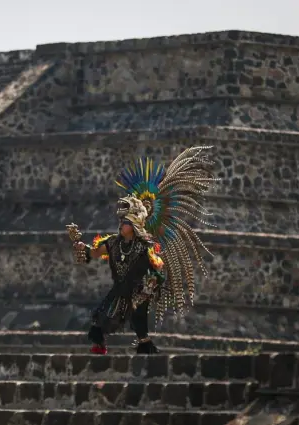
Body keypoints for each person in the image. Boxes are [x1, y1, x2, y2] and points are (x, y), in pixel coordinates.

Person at [67, 146, 219, 355]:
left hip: (138, 290)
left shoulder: (144, 247)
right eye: (121, 220)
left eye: (126, 221)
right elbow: (92, 253)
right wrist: (80, 247)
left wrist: (147, 288)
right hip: (120, 288)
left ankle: (145, 348)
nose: (121, 224)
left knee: (139, 322)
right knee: (99, 320)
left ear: (135, 223)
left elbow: (156, 269)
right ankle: (100, 348)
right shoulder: (112, 243)